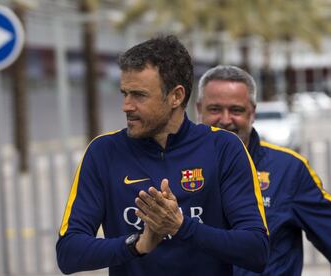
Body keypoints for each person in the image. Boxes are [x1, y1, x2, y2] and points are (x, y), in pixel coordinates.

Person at [56, 36, 269, 276]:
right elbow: (68, 253)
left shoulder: (223, 147)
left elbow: (256, 250)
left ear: (176, 96)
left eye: (139, 95)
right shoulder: (103, 151)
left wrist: (181, 226)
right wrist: (138, 244)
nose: (126, 105)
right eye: (124, 93)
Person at [196, 65, 331, 276]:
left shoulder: (289, 170)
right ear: (198, 109)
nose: (225, 120)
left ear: (253, 112)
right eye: (214, 109)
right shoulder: (176, 167)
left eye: (236, 110)